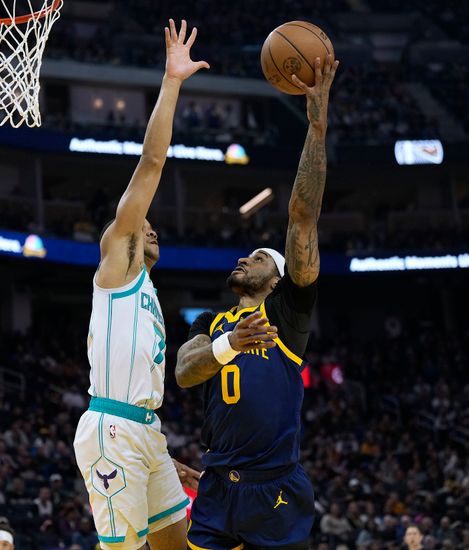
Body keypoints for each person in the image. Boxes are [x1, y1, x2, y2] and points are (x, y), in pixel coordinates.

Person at [175, 53, 339, 549]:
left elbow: (302, 217)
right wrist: (230, 343)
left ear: (278, 277)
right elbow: (185, 372)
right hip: (218, 486)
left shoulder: (288, 314)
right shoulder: (212, 319)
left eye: (260, 257)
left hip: (275, 489)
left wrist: (315, 128)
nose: (247, 259)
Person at [72, 18, 207, 550]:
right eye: (141, 221)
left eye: (152, 226)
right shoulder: (118, 262)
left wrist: (160, 452)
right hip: (113, 432)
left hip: (145, 432)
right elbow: (152, 162)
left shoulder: (148, 293)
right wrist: (172, 81)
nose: (148, 225)